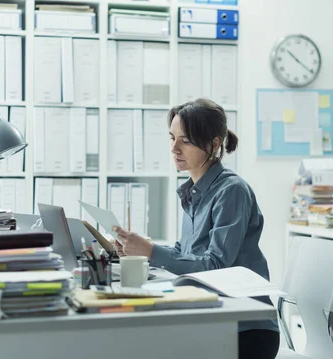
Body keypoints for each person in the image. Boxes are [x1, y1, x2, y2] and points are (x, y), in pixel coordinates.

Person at [113, 98, 280, 359]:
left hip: (245, 330)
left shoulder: (232, 191)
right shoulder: (193, 191)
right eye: (172, 138)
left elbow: (215, 266)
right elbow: (185, 252)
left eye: (186, 141)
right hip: (212, 319)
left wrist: (151, 251)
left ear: (214, 144)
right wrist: (139, 252)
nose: (174, 149)